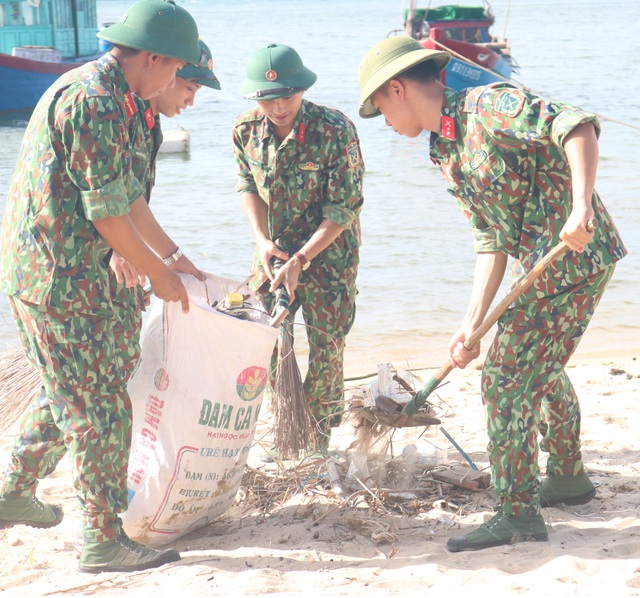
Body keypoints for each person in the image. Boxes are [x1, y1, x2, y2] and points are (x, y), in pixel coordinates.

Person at [356, 36, 627, 551]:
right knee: (536, 364)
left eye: (380, 108)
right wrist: (470, 323)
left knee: (506, 380)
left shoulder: (488, 106)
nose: (383, 120)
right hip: (540, 269)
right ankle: (567, 477)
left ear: (398, 89)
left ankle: (518, 514)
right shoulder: (444, 147)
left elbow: (576, 125)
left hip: (576, 258)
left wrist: (580, 205)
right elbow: (490, 238)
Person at [0, 0, 204, 573]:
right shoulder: (93, 100)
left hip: (69, 272)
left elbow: (127, 197)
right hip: (60, 279)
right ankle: (102, 539)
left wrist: (170, 258)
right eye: (177, 71)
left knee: (73, 387)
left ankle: (14, 491)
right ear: (155, 57)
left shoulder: (113, 94)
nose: (177, 83)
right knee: (102, 408)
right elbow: (109, 215)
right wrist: (162, 278)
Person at [233, 43, 364, 458]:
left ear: (303, 89)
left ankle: (317, 440)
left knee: (327, 347)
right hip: (272, 256)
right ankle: (289, 432)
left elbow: (343, 208)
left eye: (287, 96)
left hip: (329, 258)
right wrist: (262, 239)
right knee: (270, 345)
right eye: (268, 99)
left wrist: (302, 259)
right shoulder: (244, 131)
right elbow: (248, 187)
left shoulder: (335, 130)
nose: (278, 107)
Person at [108, 39, 221, 380]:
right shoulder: (121, 111)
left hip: (120, 253)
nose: (190, 99)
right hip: (92, 265)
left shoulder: (148, 120)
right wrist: (122, 251)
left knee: (119, 366)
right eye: (189, 86)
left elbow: (131, 198)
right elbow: (105, 196)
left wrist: (171, 257)